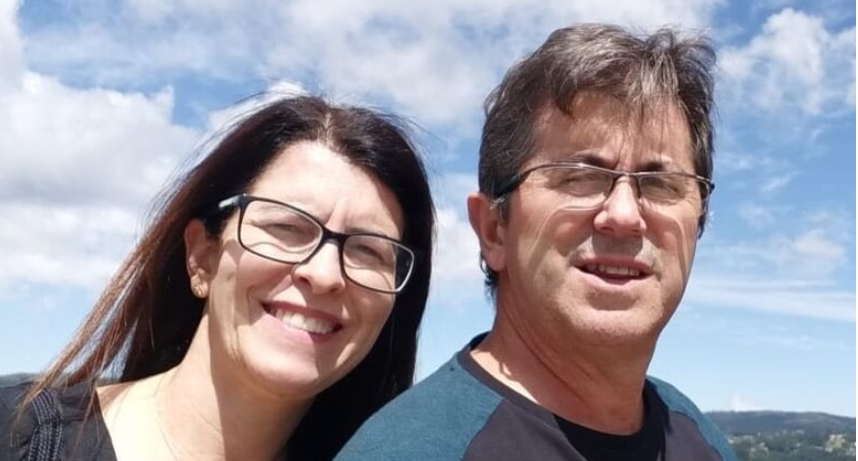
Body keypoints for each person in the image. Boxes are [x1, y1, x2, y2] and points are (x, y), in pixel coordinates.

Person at [335, 24, 738, 461]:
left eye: (661, 184)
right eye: (580, 178)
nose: (624, 216)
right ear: (494, 229)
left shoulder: (702, 442)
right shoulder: (411, 451)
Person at [0, 95, 435, 461]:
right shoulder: (18, 436)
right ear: (202, 256)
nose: (323, 274)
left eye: (368, 250)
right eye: (286, 227)